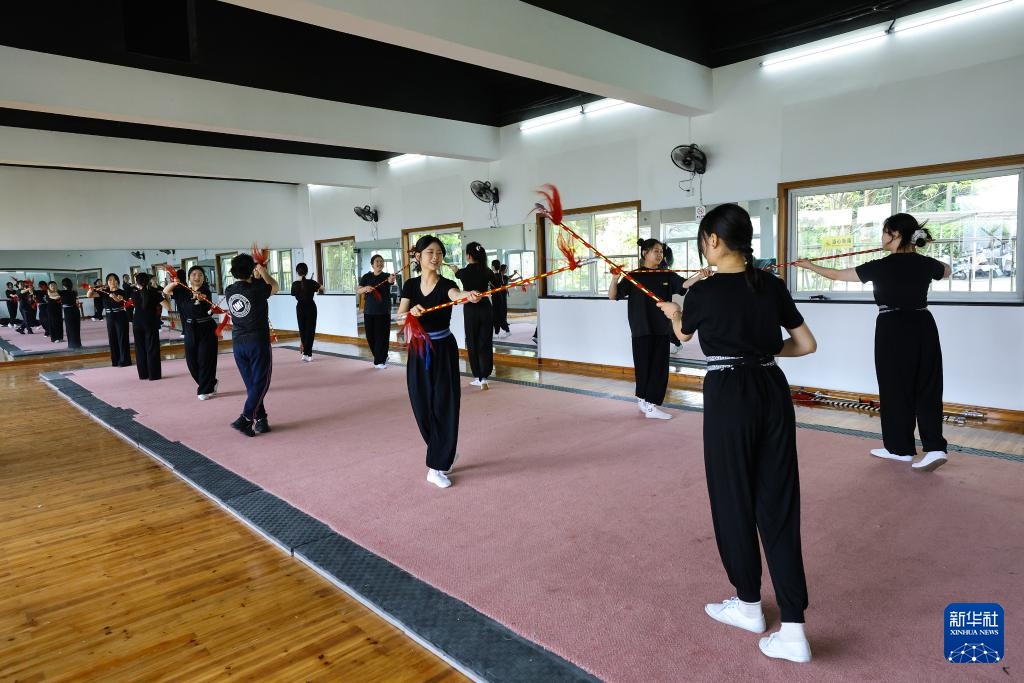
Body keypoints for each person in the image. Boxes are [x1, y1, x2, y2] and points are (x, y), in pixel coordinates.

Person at [658, 203, 818, 664]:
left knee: (733, 498)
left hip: (728, 394)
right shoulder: (771, 284)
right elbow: (806, 344)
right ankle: (793, 628)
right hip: (771, 388)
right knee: (778, 502)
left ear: (712, 240)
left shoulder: (704, 293)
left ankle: (749, 604)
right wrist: (761, 348)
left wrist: (674, 312)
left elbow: (684, 336)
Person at [795, 213, 951, 472]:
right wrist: (920, 251)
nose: (881, 237)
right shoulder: (925, 264)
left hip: (893, 327)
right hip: (923, 324)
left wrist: (810, 266)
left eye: (884, 232)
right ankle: (934, 448)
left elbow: (836, 275)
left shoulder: (880, 266)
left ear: (895, 235)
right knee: (927, 385)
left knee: (894, 387)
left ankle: (900, 449)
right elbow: (946, 270)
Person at [397, 235, 482, 488]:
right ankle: (444, 450)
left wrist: (469, 295)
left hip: (443, 349)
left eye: (439, 253)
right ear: (418, 256)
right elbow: (399, 317)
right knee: (421, 405)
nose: (435, 257)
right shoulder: (410, 285)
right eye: (430, 252)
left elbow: (456, 295)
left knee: (444, 404)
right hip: (418, 351)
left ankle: (435, 467)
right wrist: (410, 313)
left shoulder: (447, 284)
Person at [608, 238, 704, 420]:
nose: (660, 255)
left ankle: (649, 404)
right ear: (645, 253)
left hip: (661, 329)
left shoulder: (666, 274)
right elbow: (613, 296)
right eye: (656, 251)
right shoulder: (633, 276)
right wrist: (615, 278)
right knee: (643, 367)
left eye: (661, 252)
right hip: (641, 328)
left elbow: (684, 284)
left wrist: (699, 276)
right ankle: (644, 401)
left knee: (658, 368)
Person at [225, 253, 279, 437]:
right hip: (257, 341)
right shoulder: (257, 289)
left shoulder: (229, 290)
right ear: (251, 270)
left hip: (238, 343)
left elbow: (249, 283)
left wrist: (254, 272)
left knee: (252, 384)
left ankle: (261, 419)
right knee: (261, 383)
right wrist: (262, 271)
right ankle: (246, 418)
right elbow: (275, 286)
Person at [165, 266, 219, 399]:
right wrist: (175, 283)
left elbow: (204, 298)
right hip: (189, 328)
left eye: (200, 274)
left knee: (205, 359)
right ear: (189, 277)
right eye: (194, 274)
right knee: (192, 362)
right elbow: (166, 291)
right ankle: (211, 383)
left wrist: (200, 298)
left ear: (204, 278)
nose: (197, 277)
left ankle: (203, 390)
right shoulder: (182, 291)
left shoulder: (205, 291)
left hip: (206, 328)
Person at [454, 242, 499, 388]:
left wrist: (455, 270)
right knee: (485, 341)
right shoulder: (487, 270)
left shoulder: (464, 272)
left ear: (468, 256)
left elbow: (457, 274)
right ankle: (485, 375)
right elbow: (497, 285)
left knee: (472, 341)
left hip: (471, 308)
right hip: (485, 307)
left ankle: (478, 376)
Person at [357, 255, 396, 368]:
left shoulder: (386, 276)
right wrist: (366, 288)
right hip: (368, 311)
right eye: (377, 261)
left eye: (381, 261)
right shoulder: (366, 276)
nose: (379, 263)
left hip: (383, 311)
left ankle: (380, 361)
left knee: (382, 337)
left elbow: (391, 281)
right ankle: (382, 356)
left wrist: (391, 279)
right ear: (372, 264)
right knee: (370, 337)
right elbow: (359, 290)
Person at [88, 274, 132, 366]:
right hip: (109, 316)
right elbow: (89, 295)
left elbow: (121, 301)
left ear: (117, 281)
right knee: (112, 338)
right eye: (110, 280)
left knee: (122, 338)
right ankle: (115, 360)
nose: (112, 282)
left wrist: (114, 297)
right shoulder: (104, 292)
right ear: (107, 282)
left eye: (114, 280)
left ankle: (124, 360)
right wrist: (91, 290)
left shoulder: (122, 292)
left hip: (120, 315)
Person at [130, 273, 166, 381]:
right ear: (148, 281)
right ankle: (154, 375)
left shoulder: (134, 294)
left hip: (137, 322)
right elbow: (168, 306)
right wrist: (163, 296)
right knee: (152, 348)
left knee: (140, 349)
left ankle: (143, 374)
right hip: (150, 322)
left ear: (137, 282)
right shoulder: (154, 293)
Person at [290, 262, 324, 362]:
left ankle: (305, 354)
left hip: (300, 308)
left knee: (302, 330)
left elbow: (293, 293)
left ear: (297, 272)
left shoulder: (294, 284)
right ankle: (308, 354)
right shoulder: (312, 282)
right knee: (310, 331)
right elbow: (322, 288)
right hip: (311, 307)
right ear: (307, 272)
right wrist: (315, 284)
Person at [490, 260, 512, 338]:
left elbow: (497, 285)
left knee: (498, 315)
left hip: (497, 297)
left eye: (491, 265)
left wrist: (490, 283)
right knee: (497, 315)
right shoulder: (497, 275)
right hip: (496, 297)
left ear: (493, 266)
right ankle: (500, 332)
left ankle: (502, 331)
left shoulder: (496, 276)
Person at [59, 279, 82, 349]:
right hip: (75, 310)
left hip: (68, 310)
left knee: (70, 328)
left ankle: (72, 345)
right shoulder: (74, 292)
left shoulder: (61, 292)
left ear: (63, 285)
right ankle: (78, 344)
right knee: (76, 328)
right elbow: (77, 302)